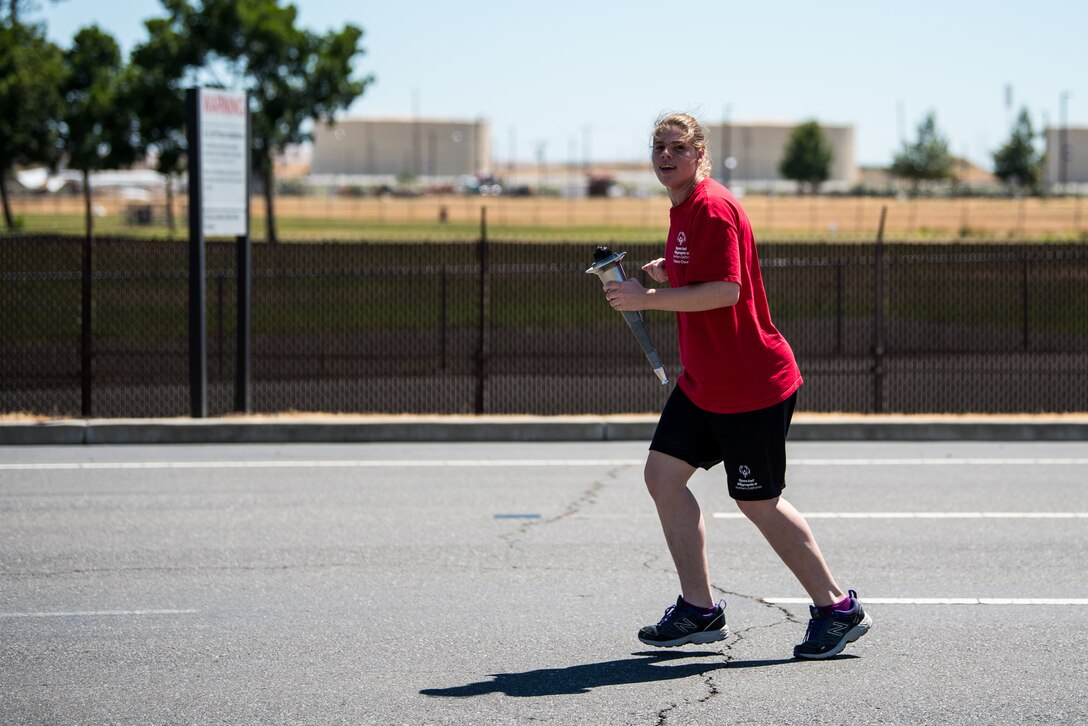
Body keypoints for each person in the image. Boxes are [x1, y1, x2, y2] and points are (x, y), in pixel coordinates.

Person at [599, 112, 871, 660]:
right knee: (663, 477)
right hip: (705, 384)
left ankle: (837, 609)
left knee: (759, 503)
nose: (666, 156)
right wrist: (664, 274)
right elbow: (699, 274)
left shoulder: (712, 207)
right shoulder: (681, 209)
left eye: (678, 147)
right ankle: (699, 610)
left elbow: (725, 289)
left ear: (701, 155)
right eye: (659, 147)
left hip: (751, 386)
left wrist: (647, 301)